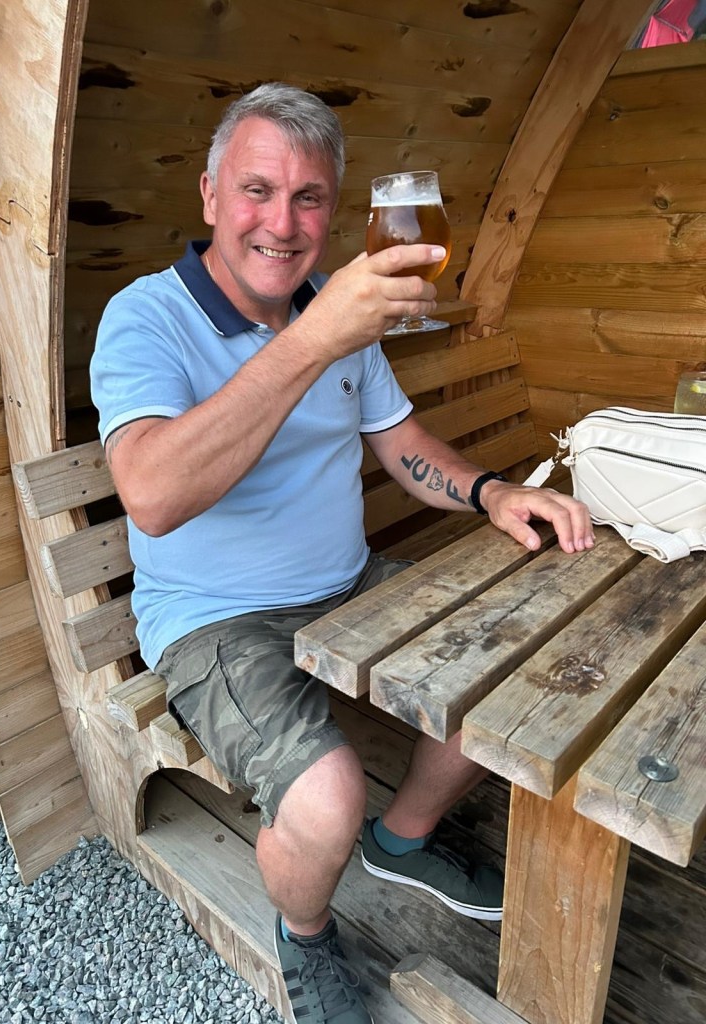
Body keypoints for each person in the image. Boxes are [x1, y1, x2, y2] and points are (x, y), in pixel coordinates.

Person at [91, 83, 594, 1024]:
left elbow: (399, 442)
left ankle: (401, 839)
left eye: (309, 197)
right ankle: (306, 933)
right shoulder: (145, 317)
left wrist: (491, 491)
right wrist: (314, 340)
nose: (282, 223)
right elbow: (153, 495)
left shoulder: (335, 311)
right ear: (210, 195)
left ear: (335, 211)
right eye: (257, 190)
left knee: (520, 669)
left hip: (348, 585)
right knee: (326, 798)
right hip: (215, 619)